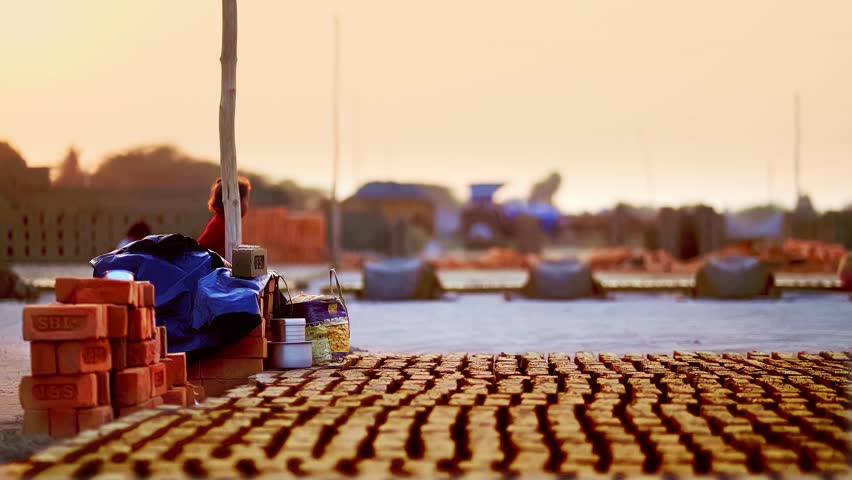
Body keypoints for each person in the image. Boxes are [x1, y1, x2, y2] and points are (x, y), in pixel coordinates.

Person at [198, 176, 251, 259]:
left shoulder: (229, 222)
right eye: (246, 200)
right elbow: (197, 250)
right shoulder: (219, 224)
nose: (247, 205)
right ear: (235, 201)